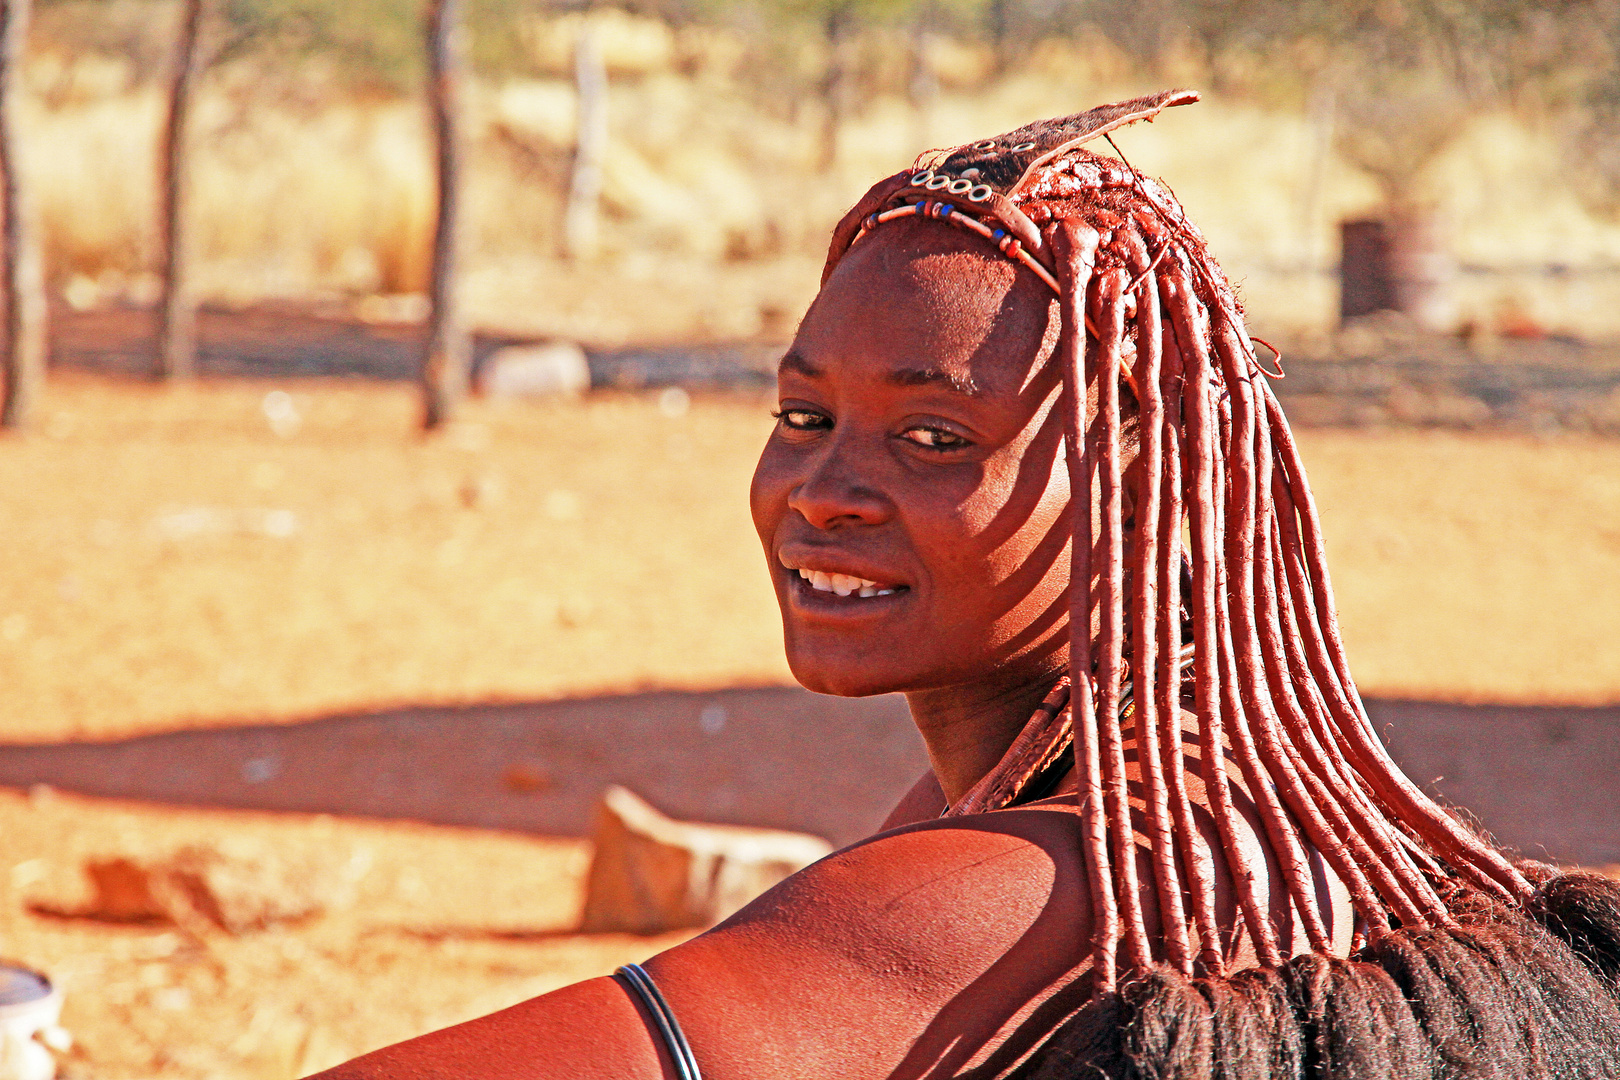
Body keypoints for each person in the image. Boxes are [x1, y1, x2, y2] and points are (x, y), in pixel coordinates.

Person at [314, 91, 1620, 1080]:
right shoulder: (1188, 818)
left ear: (1130, 486)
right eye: (803, 414)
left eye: (937, 439)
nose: (825, 487)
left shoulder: (1013, 886)